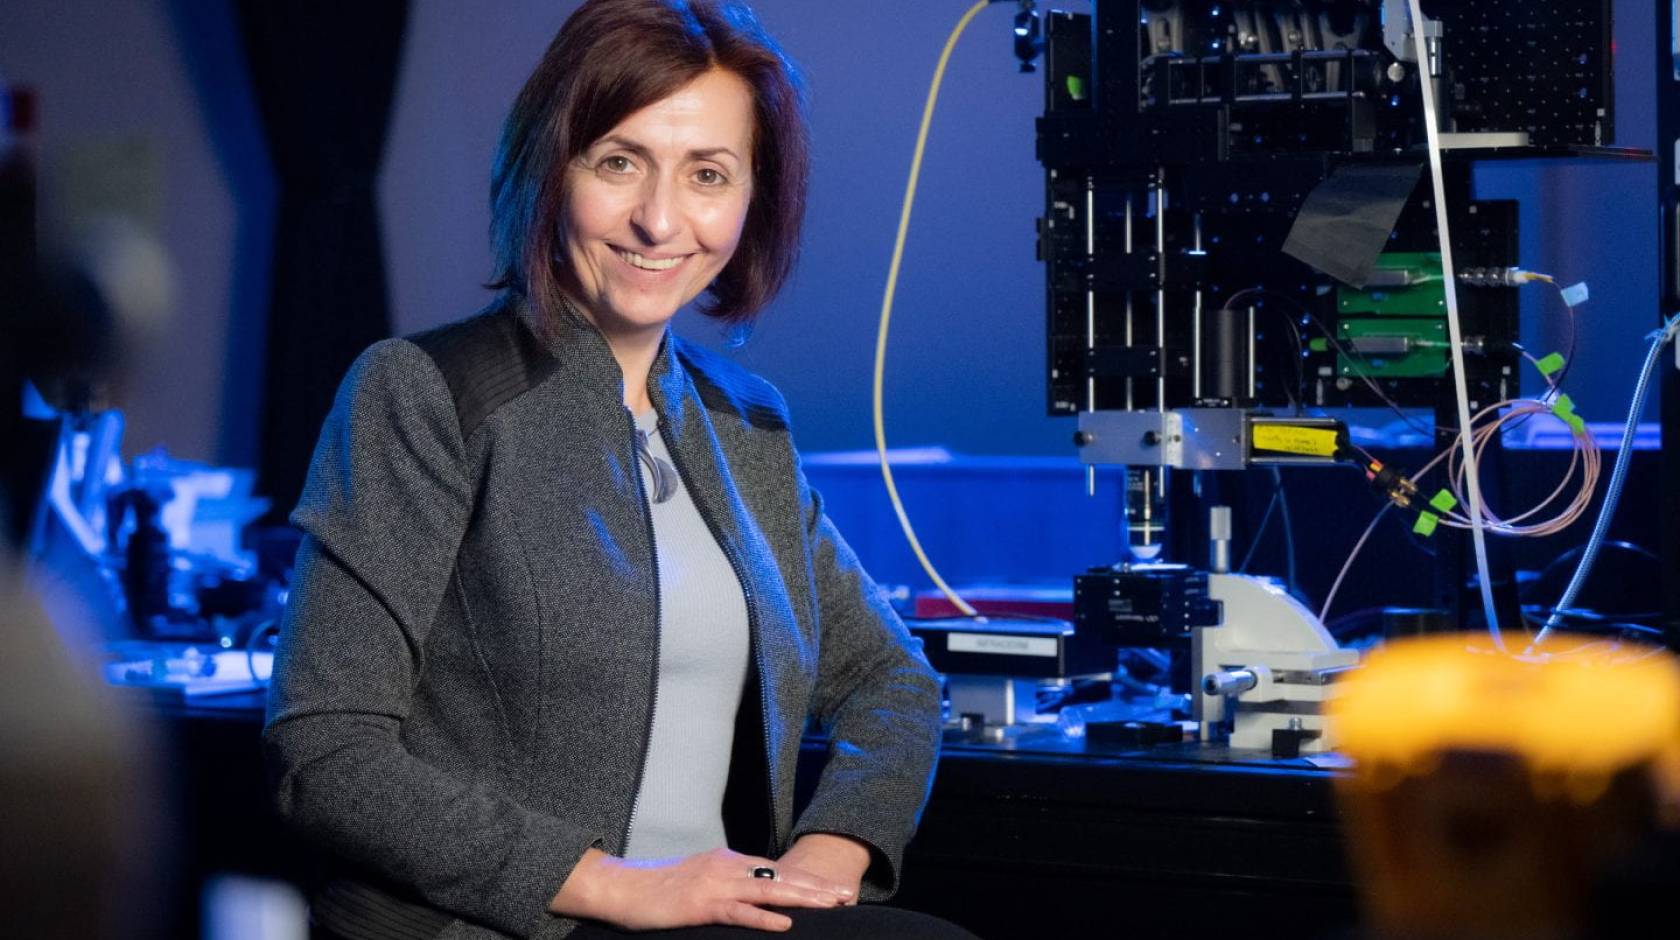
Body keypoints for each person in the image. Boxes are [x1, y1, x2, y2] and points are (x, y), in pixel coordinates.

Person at [264, 3, 974, 939]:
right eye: (618, 161)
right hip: (499, 926)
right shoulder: (422, 392)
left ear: (753, 199)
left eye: (708, 175)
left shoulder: (744, 421)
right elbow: (326, 751)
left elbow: (893, 680)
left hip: (711, 920)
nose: (659, 218)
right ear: (550, 171)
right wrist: (623, 887)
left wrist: (828, 854)